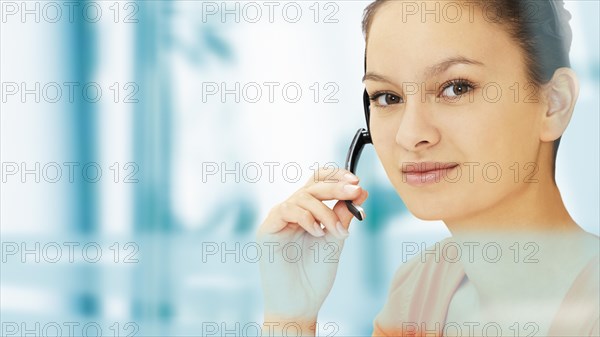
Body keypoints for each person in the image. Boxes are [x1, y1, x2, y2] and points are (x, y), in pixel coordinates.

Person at [257, 1, 599, 336]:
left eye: (456, 88)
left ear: (554, 104)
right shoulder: (419, 291)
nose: (410, 135)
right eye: (388, 97)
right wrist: (290, 317)